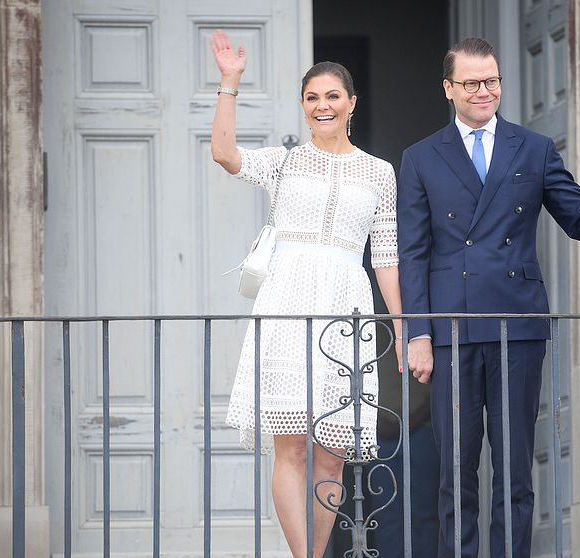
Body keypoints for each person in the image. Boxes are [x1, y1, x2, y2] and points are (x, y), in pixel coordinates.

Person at [397, 37, 580, 557]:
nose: (485, 91)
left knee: (514, 469)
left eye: (493, 81)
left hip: (517, 328)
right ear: (448, 89)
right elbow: (413, 255)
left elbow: (579, 217)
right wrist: (418, 334)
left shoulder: (534, 147)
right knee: (456, 472)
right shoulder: (419, 159)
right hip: (451, 331)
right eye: (472, 83)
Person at [209, 30, 404, 558]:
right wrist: (230, 84)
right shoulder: (285, 162)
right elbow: (224, 154)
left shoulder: (380, 172)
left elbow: (385, 256)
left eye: (332, 96)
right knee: (290, 446)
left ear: (351, 104)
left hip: (347, 307)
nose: (323, 106)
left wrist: (404, 325)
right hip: (287, 303)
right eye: (313, 98)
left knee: (334, 453)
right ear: (303, 106)